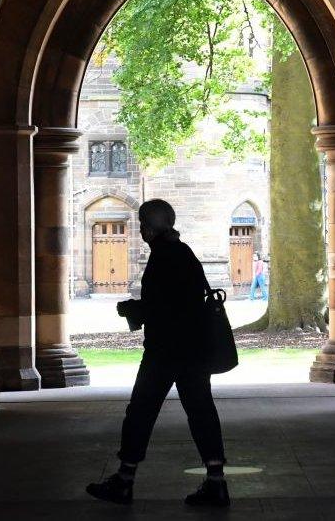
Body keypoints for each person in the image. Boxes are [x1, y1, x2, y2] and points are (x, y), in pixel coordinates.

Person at [86, 199, 229, 507]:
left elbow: (165, 307)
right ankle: (216, 481)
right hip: (193, 350)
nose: (141, 230)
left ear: (148, 227)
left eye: (142, 224)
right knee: (202, 412)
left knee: (140, 412)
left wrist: (133, 308)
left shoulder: (163, 256)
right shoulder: (184, 252)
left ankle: (124, 480)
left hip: (165, 351)